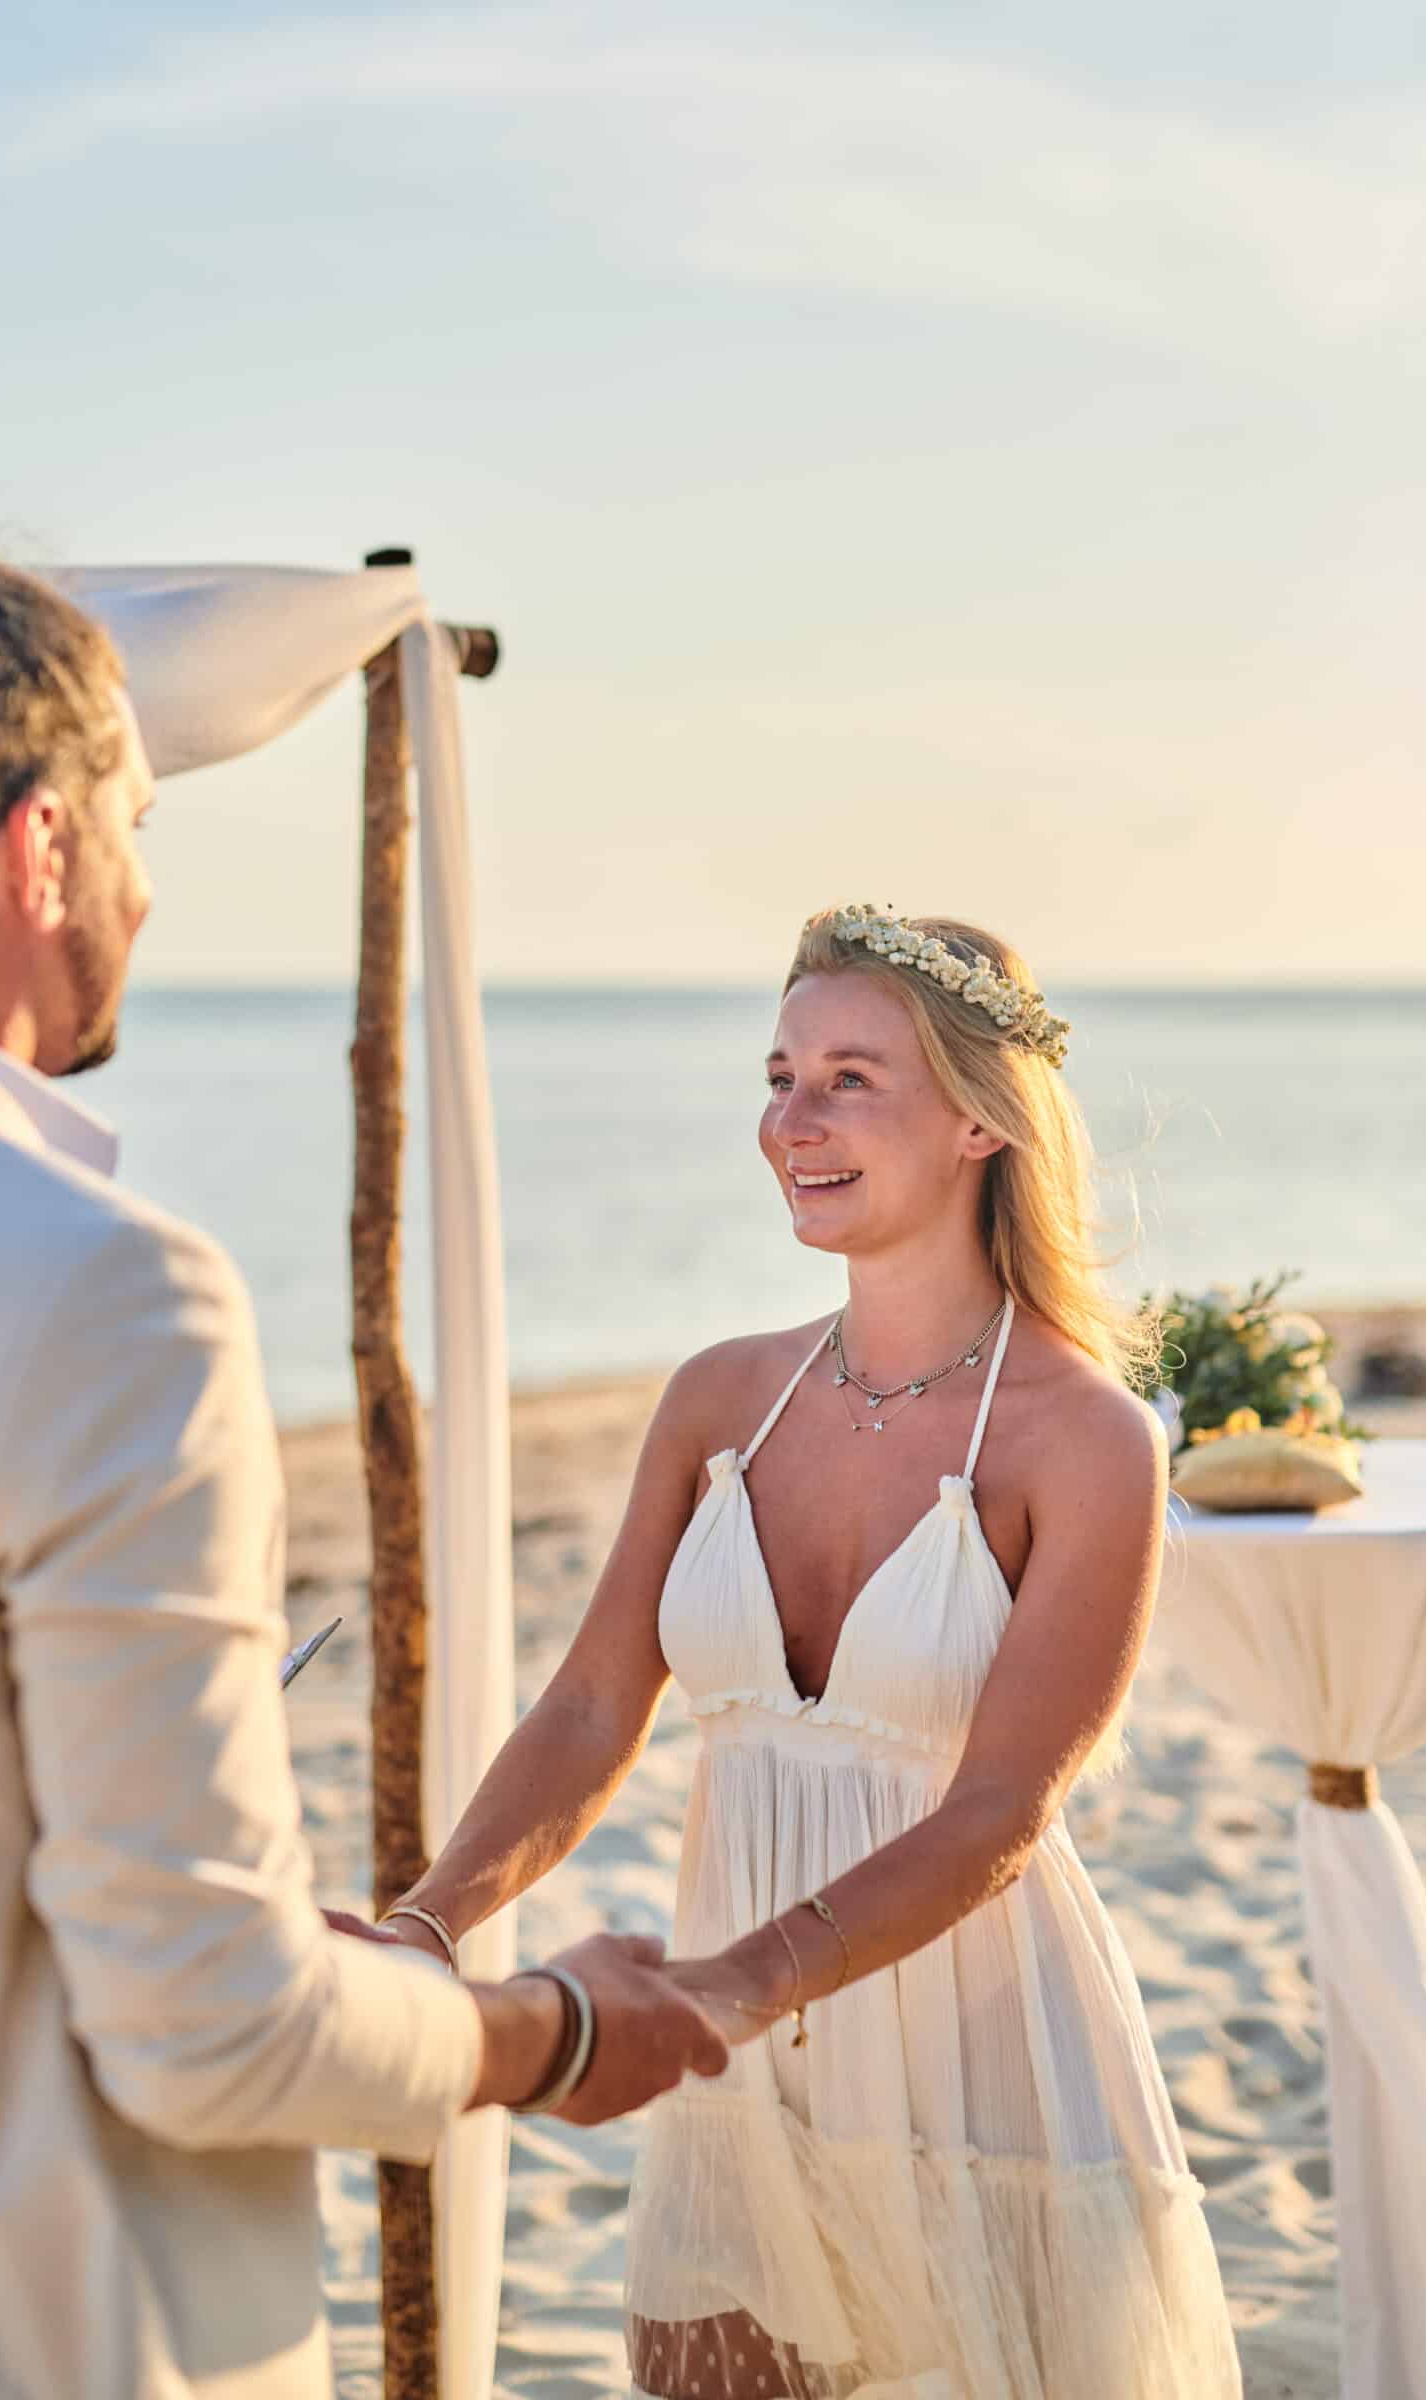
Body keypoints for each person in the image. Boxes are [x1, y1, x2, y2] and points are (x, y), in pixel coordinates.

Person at [0, 533, 728, 2400]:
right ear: (41, 848)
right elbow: (208, 2037)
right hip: (22, 2324)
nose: (148, 893)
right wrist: (550, 2031)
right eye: (139, 825)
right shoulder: (89, 1293)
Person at [378, 904, 1243, 2396]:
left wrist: (730, 1985)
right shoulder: (720, 1400)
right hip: (736, 2082)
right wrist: (428, 1923)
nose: (793, 1122)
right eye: (780, 1077)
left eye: (851, 1079)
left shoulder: (1086, 1438)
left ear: (980, 1119)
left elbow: (1002, 1813)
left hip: (978, 2070)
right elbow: (589, 1710)